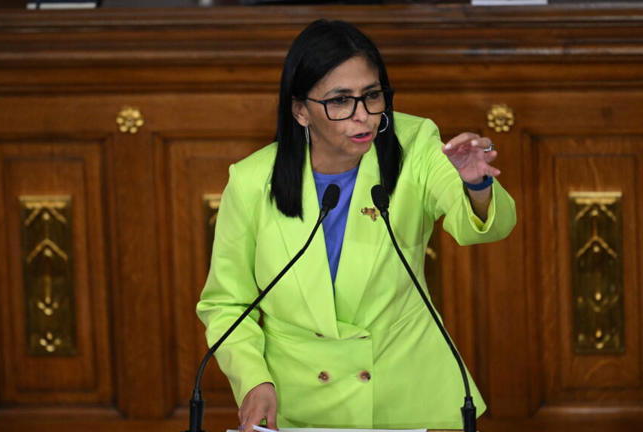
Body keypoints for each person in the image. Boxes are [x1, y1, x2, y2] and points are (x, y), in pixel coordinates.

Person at [197, 19, 516, 430]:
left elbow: (480, 226)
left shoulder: (416, 144)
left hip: (407, 400)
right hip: (298, 406)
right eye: (340, 101)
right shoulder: (251, 181)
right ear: (300, 110)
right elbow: (226, 305)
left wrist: (476, 184)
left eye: (372, 96)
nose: (362, 116)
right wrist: (254, 381)